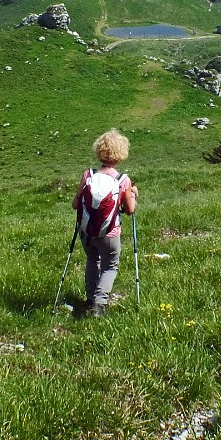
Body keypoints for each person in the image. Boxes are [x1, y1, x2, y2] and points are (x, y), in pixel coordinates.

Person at [72, 129, 138, 317]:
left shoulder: (88, 175)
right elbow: (130, 209)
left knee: (92, 260)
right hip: (110, 233)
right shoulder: (122, 180)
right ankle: (100, 304)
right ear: (121, 154)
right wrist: (133, 194)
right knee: (110, 266)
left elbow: (75, 203)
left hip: (86, 231)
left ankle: (90, 298)